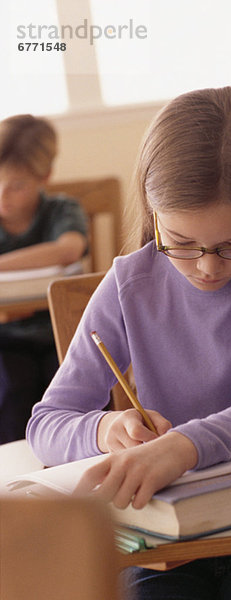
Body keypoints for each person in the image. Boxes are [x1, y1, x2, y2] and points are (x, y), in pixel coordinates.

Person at [27, 87, 231, 599]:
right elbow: (47, 422)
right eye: (181, 243)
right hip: (159, 546)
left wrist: (182, 448)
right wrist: (107, 427)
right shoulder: (126, 283)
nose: (207, 267)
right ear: (153, 213)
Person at [0, 114, 88, 444]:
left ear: (44, 177)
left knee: (72, 388)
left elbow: (68, 249)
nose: (3, 195)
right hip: (6, 337)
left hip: (60, 334)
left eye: (16, 186)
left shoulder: (62, 210)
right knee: (12, 387)